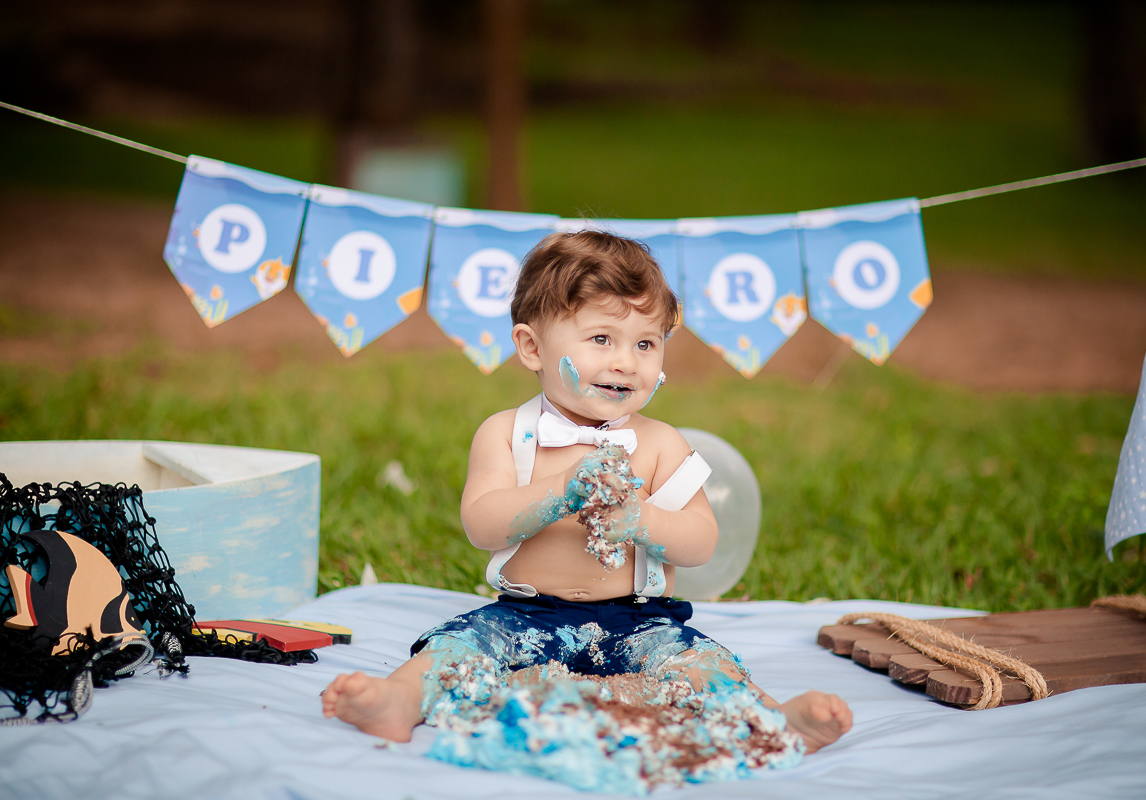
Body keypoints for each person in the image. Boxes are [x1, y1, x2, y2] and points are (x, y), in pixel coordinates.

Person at [322, 230, 852, 754]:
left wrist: (640, 520)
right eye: (602, 339)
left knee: (700, 664)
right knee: (458, 646)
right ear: (532, 347)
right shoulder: (507, 433)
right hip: (525, 615)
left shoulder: (661, 443)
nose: (626, 361)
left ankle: (770, 718)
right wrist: (556, 491)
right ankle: (400, 700)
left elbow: (701, 541)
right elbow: (481, 525)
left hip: (638, 621)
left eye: (646, 343)